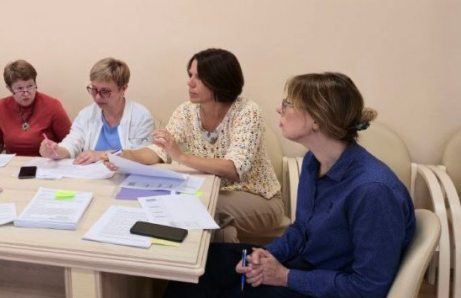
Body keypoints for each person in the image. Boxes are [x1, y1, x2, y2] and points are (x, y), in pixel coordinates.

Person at [165, 72, 415, 298]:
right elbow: (301, 230)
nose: (279, 109)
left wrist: (285, 277)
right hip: (304, 263)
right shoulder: (313, 162)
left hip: (330, 285)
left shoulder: (373, 191)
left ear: (316, 119)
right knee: (199, 266)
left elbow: (368, 288)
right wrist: (268, 255)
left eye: (288, 104)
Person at [111, 49, 283, 243]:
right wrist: (127, 157)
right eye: (190, 75)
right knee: (221, 231)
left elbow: (234, 168)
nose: (190, 82)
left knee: (192, 206)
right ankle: (222, 258)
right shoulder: (186, 111)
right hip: (213, 192)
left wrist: (181, 157)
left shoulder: (247, 111)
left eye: (198, 77)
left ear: (220, 79)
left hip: (258, 197)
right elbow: (159, 151)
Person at [40, 57, 154, 164]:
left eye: (105, 91)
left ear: (123, 88)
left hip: (125, 175)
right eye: (94, 89)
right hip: (91, 176)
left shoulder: (141, 117)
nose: (97, 97)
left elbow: (143, 155)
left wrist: (100, 155)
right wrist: (56, 151)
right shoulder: (86, 114)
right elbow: (73, 143)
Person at [0, 60, 71, 156]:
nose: (26, 93)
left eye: (30, 86)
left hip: (45, 162)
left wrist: (57, 151)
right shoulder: (2, 106)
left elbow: (69, 143)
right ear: (9, 88)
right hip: (14, 162)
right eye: (20, 88)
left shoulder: (53, 106)